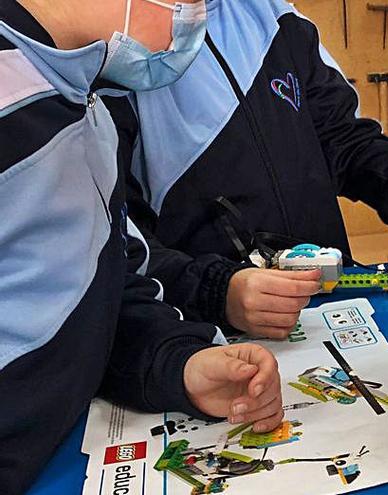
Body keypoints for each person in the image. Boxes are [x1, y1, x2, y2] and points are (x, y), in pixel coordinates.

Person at [0, 1, 284, 492]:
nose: (194, 19)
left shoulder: (84, 102)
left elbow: (104, 286)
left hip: (58, 457)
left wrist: (180, 365)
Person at [107, 0, 388, 340]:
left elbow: (344, 140)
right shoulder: (116, 51)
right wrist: (218, 292)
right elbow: (118, 242)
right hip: (208, 337)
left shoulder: (276, 18)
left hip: (326, 308)